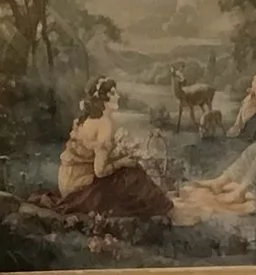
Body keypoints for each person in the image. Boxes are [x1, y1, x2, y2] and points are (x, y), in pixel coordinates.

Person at [54, 79, 173, 219]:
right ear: (103, 98)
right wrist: (123, 162)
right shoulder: (104, 124)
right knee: (133, 174)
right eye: (113, 93)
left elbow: (94, 158)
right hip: (80, 189)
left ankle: (158, 210)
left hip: (67, 182)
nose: (118, 96)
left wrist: (120, 155)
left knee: (128, 171)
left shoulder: (89, 119)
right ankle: (160, 211)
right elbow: (100, 171)